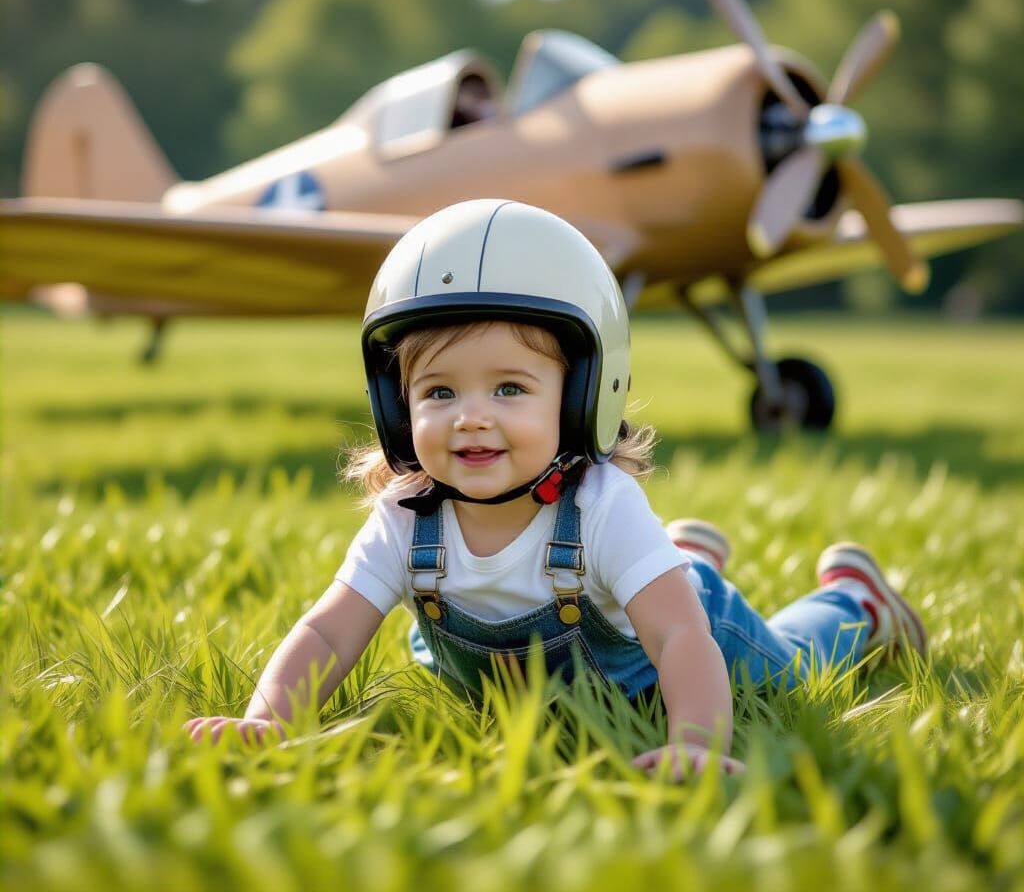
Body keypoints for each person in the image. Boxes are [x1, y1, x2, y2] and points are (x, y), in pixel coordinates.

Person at [185, 199, 927, 778]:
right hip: (632, 606)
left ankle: (858, 604)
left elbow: (676, 637)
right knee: (644, 581)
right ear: (394, 406)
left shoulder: (601, 505)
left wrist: (695, 742)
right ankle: (670, 555)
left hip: (687, 630)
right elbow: (327, 630)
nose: (471, 417)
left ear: (582, 397)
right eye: (438, 392)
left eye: (510, 387)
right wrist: (269, 718)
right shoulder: (406, 517)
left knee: (788, 671)